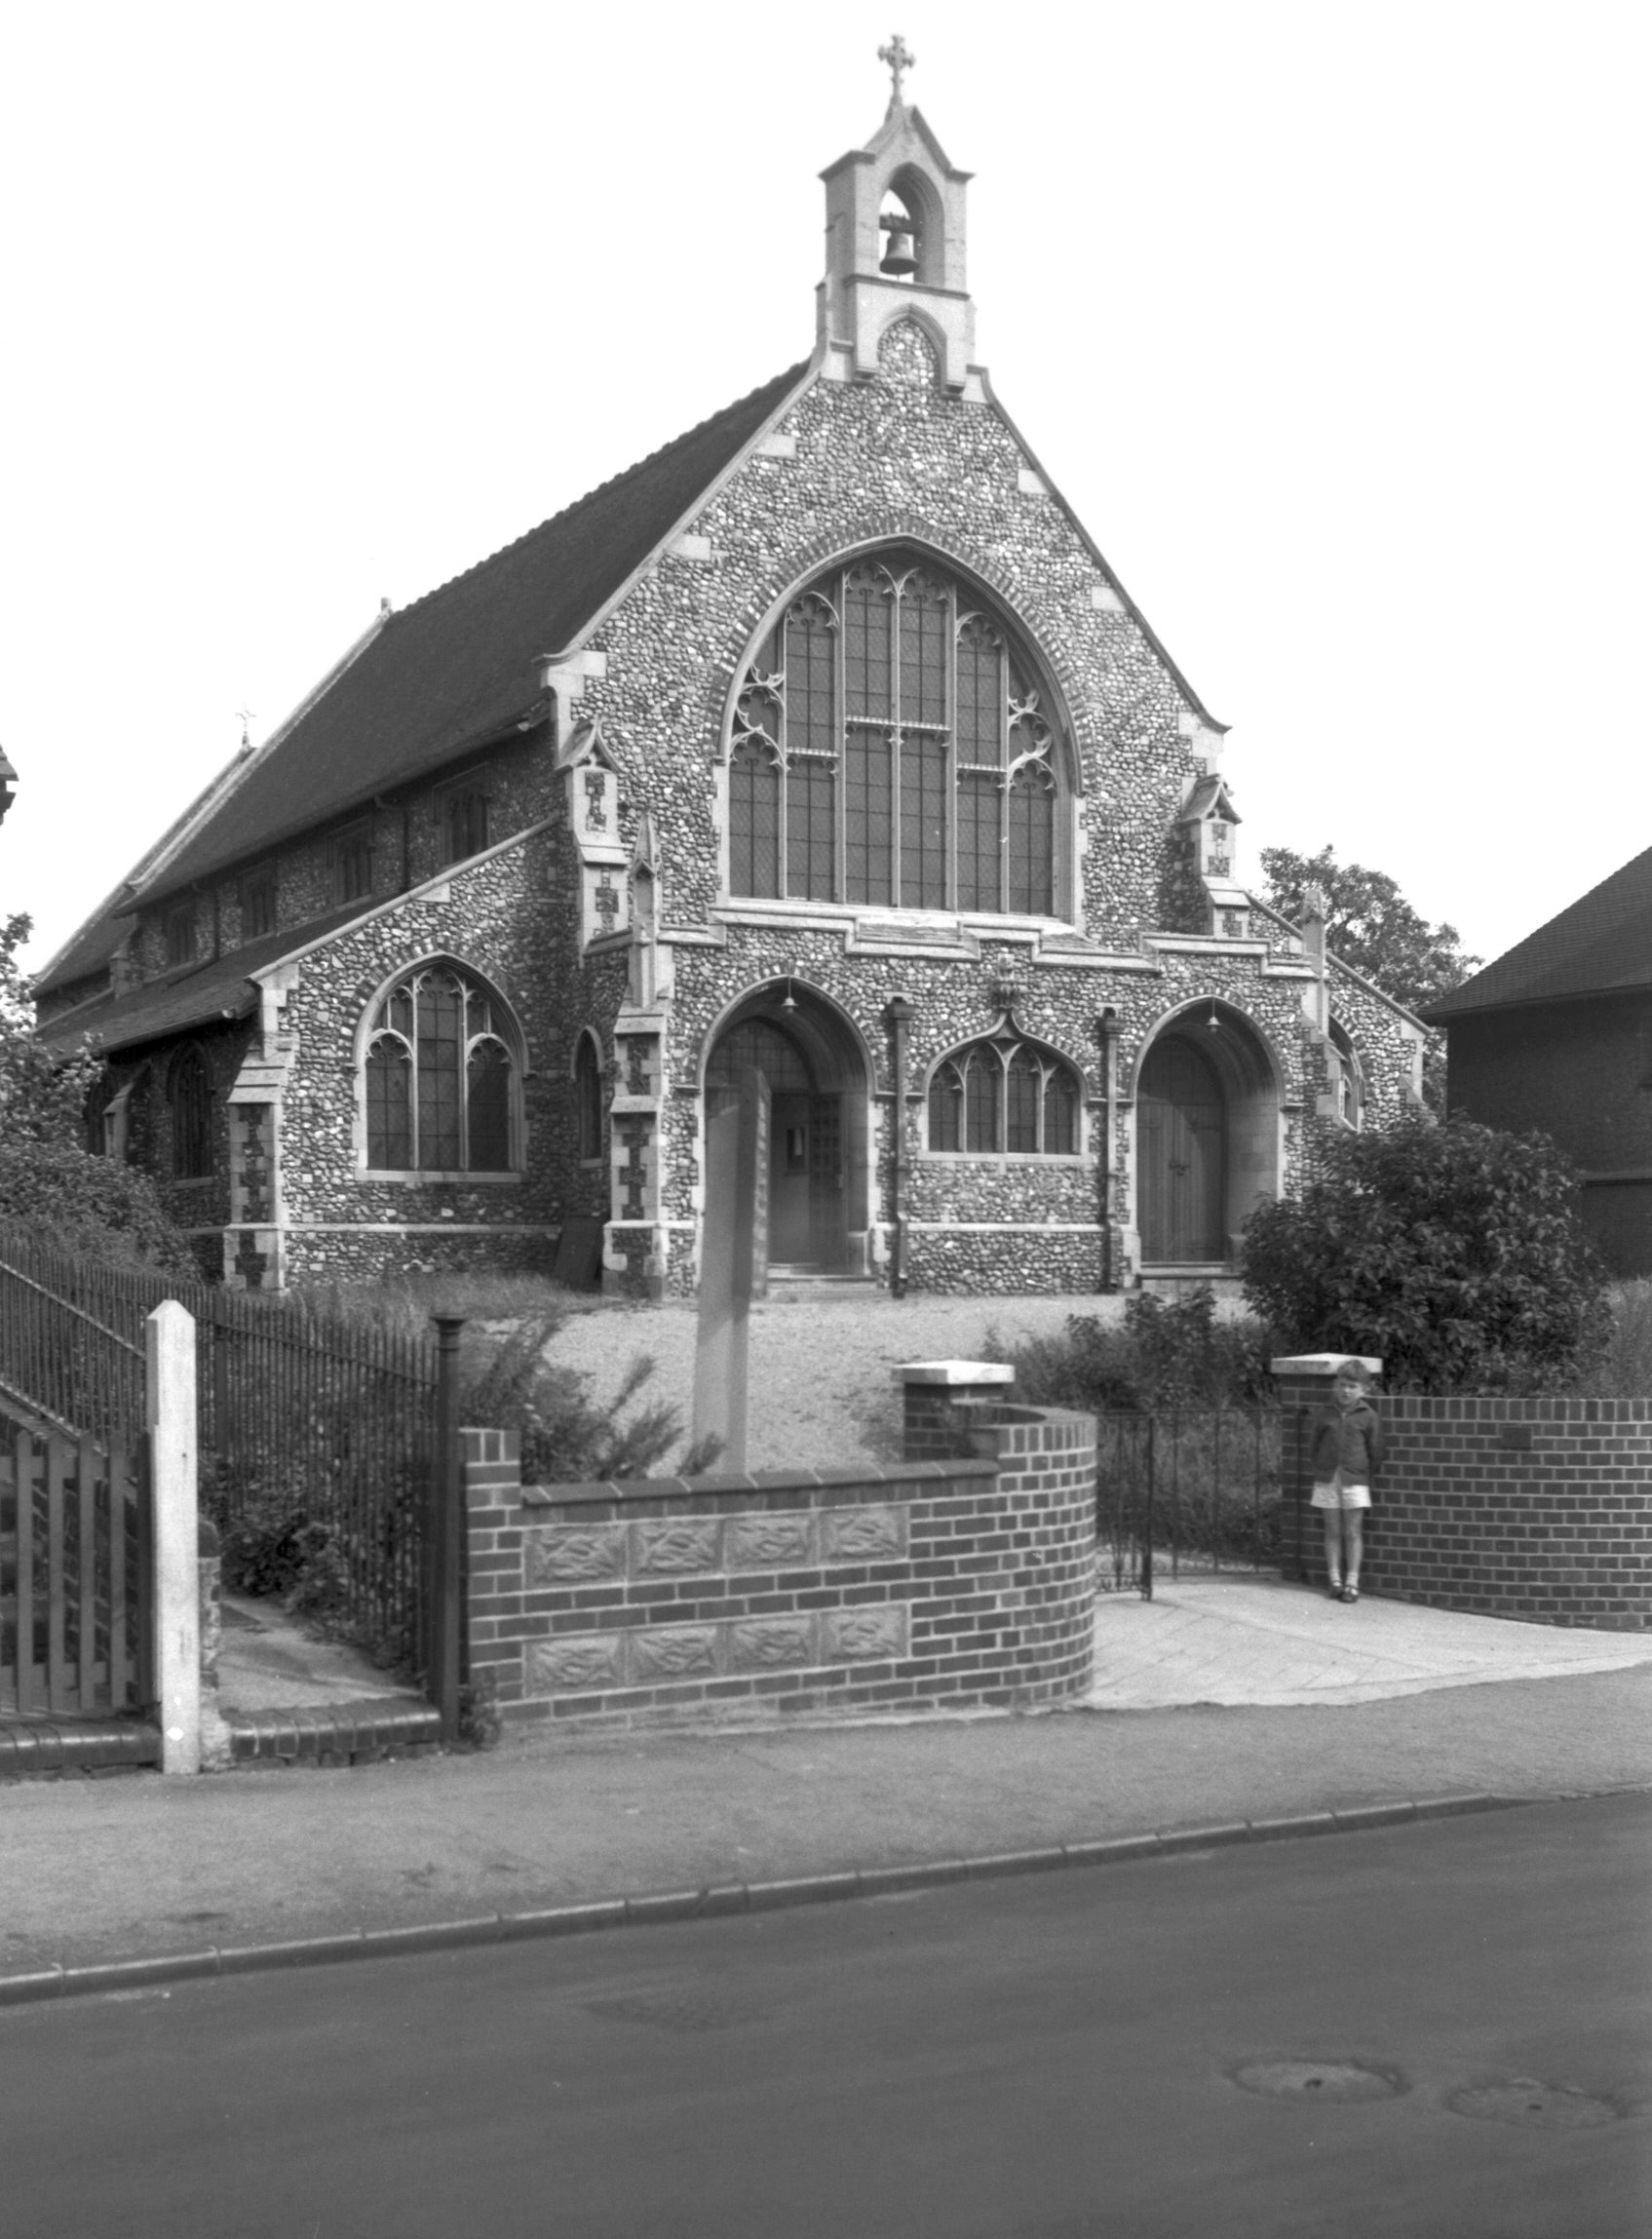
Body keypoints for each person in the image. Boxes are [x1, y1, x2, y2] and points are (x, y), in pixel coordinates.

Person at [1309, 1361, 1383, 1602]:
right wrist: (1323, 1469)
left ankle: (1352, 1582)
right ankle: (1334, 1580)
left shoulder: (1368, 1416)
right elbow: (1314, 1447)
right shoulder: (1324, 1414)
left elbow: (1376, 1452)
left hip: (1355, 1480)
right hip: (1328, 1478)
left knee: (1352, 1531)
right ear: (1335, 1385)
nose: (1346, 1391)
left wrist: (1360, 1473)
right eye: (1342, 1385)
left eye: (1352, 1386)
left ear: (1363, 1390)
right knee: (1332, 1530)